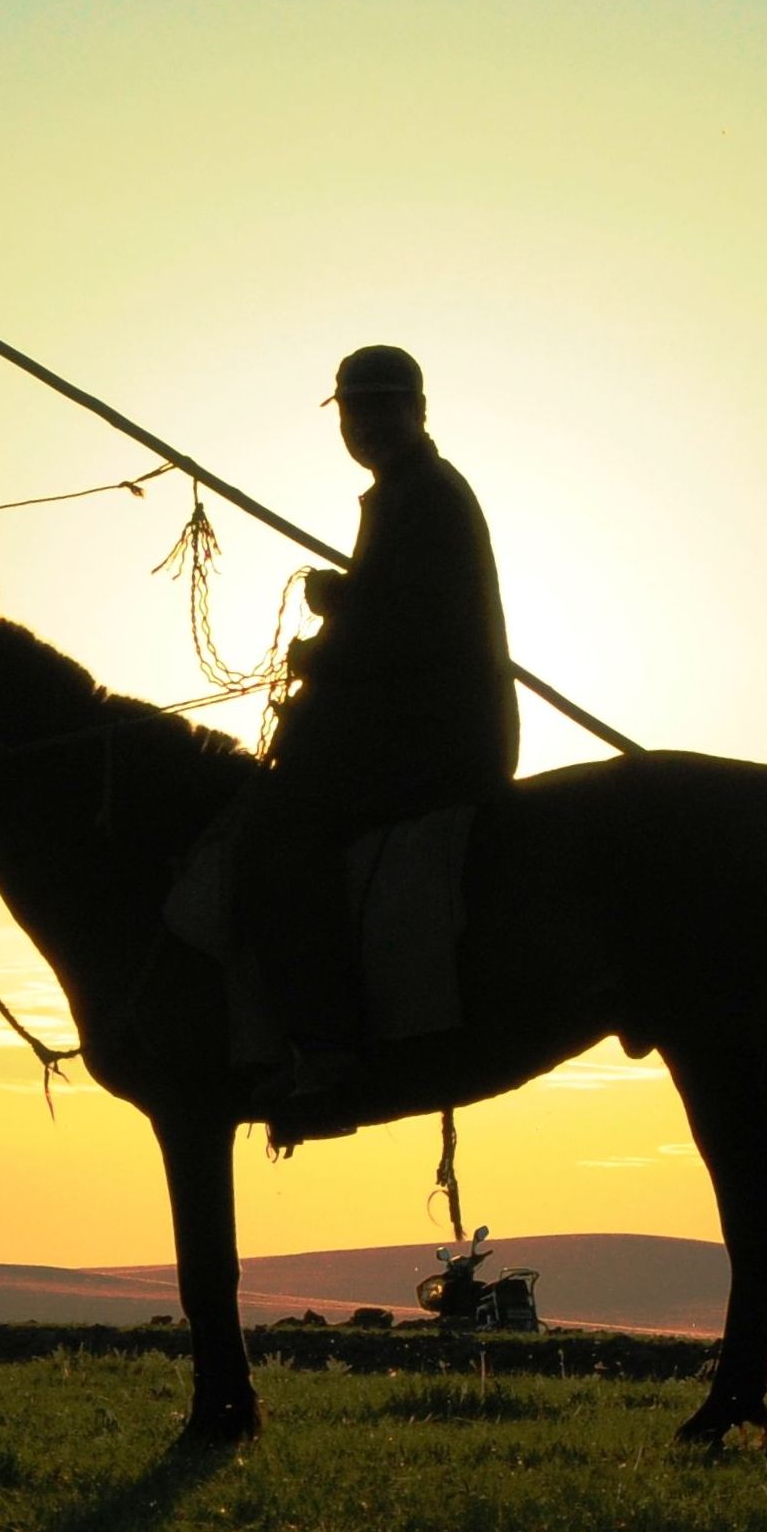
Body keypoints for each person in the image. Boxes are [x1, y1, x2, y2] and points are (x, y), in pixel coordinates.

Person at [234, 344, 519, 1131]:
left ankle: (326, 1054)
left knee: (281, 839)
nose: (365, 426)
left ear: (417, 412)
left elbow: (408, 634)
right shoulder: (408, 494)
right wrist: (344, 598)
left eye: (380, 409)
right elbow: (397, 605)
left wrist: (323, 648)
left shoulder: (420, 495)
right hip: (420, 721)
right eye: (356, 413)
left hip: (430, 736)